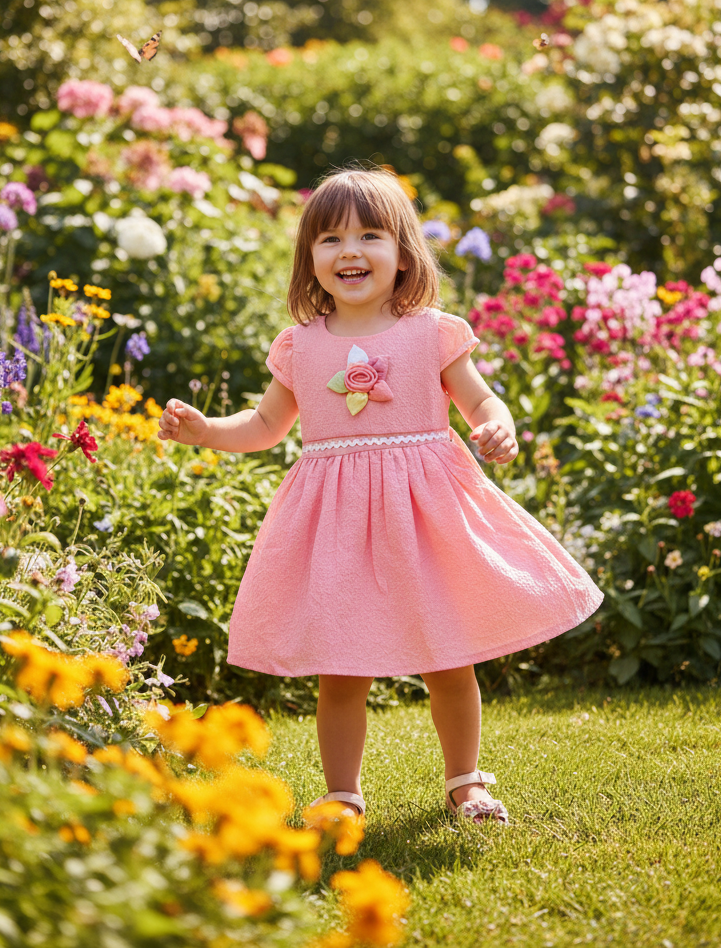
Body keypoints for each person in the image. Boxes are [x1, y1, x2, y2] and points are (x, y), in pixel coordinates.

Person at [158, 167, 603, 825]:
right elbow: (264, 425)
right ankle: (342, 793)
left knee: (448, 657)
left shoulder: (430, 333)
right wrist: (206, 432)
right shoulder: (301, 346)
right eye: (331, 239)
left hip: (426, 519)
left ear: (403, 253)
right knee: (342, 666)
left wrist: (496, 424)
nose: (351, 251)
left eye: (370, 236)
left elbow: (481, 399)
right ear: (310, 257)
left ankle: (466, 782)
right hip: (337, 526)